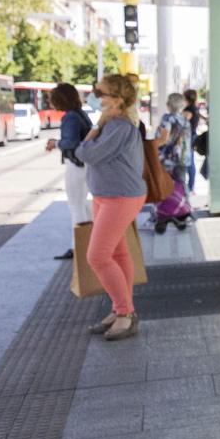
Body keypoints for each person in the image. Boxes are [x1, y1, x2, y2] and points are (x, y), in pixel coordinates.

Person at [77, 73, 150, 341]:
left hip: (120, 196)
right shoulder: (113, 124)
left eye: (100, 92)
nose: (94, 96)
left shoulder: (118, 126)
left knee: (97, 256)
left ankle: (125, 313)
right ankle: (120, 309)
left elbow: (86, 153)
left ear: (117, 99)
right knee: (118, 255)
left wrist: (95, 130)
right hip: (107, 195)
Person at [45, 82, 91, 261]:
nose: (51, 102)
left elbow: (71, 142)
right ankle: (85, 242)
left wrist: (56, 143)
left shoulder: (70, 117)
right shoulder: (80, 114)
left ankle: (78, 246)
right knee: (83, 204)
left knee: (76, 205)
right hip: (85, 164)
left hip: (77, 165)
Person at [181, 87, 201, 192]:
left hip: (188, 138)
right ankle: (190, 186)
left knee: (188, 162)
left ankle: (190, 187)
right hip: (193, 136)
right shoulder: (195, 108)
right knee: (190, 161)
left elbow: (181, 123)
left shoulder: (189, 110)